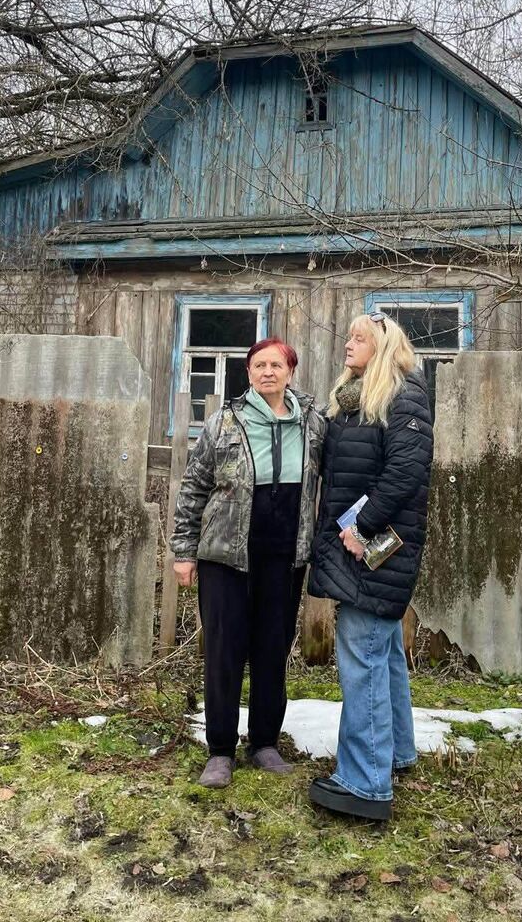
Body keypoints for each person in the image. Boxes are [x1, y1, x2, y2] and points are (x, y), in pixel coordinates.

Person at [171, 338, 327, 789]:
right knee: (224, 651)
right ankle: (220, 751)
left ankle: (263, 743)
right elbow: (193, 487)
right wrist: (184, 551)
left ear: (291, 371)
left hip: (284, 556)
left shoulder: (313, 423)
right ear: (249, 373)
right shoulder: (225, 422)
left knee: (272, 651)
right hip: (226, 556)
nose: (267, 372)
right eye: (259, 365)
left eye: (276, 364)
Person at [307, 312, 434, 821]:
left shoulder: (403, 397)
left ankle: (364, 781)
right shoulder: (357, 401)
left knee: (361, 654)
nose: (348, 344)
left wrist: (362, 528)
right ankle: (396, 753)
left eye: (360, 338)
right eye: (348, 336)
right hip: (361, 545)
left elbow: (405, 472)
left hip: (376, 548)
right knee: (382, 654)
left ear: (384, 347)